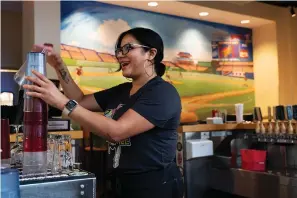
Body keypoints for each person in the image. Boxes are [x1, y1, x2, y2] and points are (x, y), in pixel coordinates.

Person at [23, 27, 184, 198]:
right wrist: (58, 65)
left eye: (128, 48)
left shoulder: (162, 92)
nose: (120, 55)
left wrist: (62, 102)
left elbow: (117, 131)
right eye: (119, 50)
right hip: (120, 184)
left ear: (151, 53)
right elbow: (80, 100)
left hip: (154, 187)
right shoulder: (122, 91)